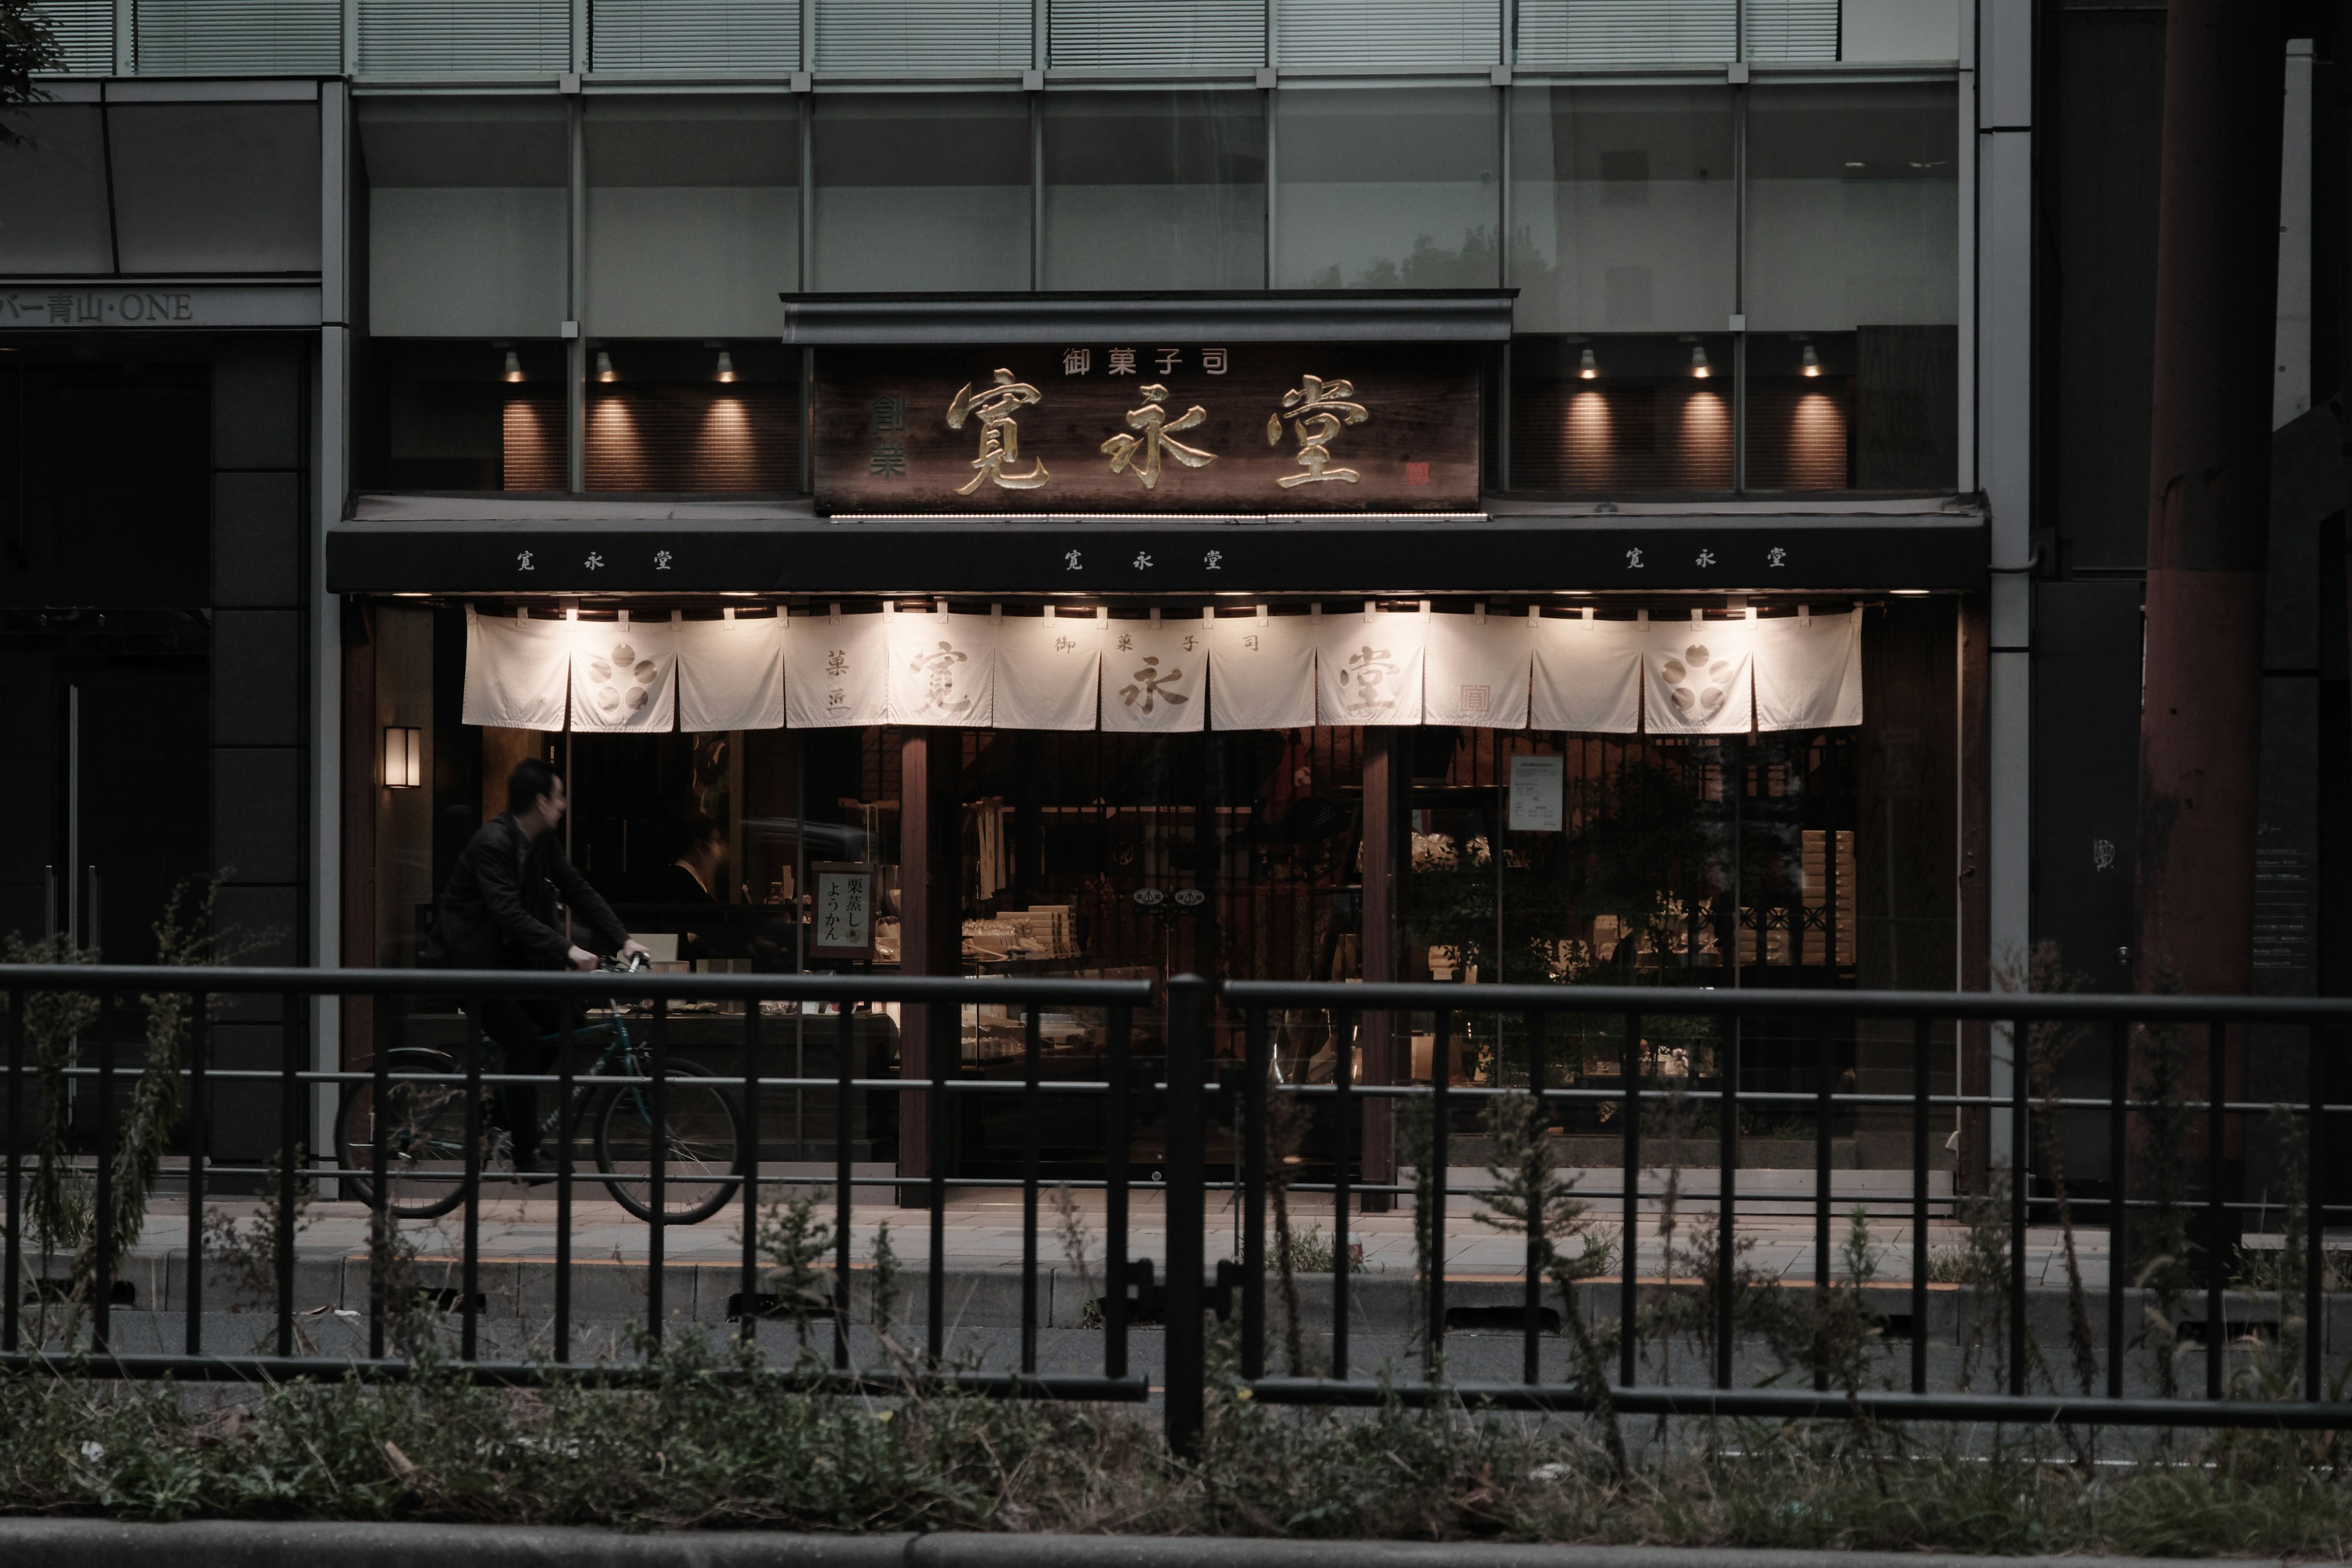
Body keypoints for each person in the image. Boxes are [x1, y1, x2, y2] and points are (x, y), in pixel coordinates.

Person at [427, 758, 647, 1170]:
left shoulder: (541, 840)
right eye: (560, 796)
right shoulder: (493, 843)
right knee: (524, 1042)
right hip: (471, 967)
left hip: (510, 964)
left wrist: (623, 939)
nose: (564, 804)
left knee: (568, 1016)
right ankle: (525, 1155)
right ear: (542, 801)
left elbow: (576, 887)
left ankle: (500, 1114)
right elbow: (508, 912)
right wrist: (567, 950)